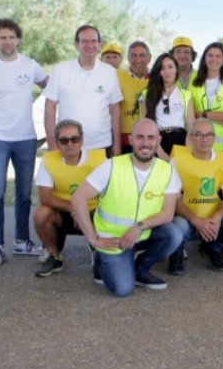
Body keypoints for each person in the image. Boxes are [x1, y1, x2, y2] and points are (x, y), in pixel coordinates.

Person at [70, 118, 183, 296]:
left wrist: (139, 227)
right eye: (140, 137)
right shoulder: (111, 166)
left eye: (151, 137)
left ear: (158, 141)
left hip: (142, 233)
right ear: (130, 140)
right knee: (122, 289)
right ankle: (100, 260)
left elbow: (168, 214)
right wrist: (93, 239)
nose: (145, 143)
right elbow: (77, 198)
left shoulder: (167, 170)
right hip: (113, 239)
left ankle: (140, 268)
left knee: (174, 233)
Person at [0, 18, 49, 266]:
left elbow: (51, 85)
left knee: (24, 193)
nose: (7, 41)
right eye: (2, 37)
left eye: (11, 36)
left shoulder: (30, 65)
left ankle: (21, 241)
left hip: (26, 138)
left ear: (18, 39)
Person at [169, 118, 223, 273]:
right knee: (176, 228)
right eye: (198, 135)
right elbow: (175, 199)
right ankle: (176, 254)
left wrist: (217, 217)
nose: (204, 139)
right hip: (187, 217)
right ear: (190, 138)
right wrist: (195, 220)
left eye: (208, 135)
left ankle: (214, 247)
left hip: (213, 216)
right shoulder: (178, 159)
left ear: (214, 137)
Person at [33, 120, 106, 277]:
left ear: (82, 140)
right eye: (64, 140)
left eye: (75, 139)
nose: (70, 144)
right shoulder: (48, 160)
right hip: (64, 212)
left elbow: (111, 192)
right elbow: (44, 197)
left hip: (94, 211)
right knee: (41, 214)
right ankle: (53, 256)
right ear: (57, 142)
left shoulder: (99, 159)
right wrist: (73, 207)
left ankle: (98, 249)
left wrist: (83, 211)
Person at [43, 25, 123, 155]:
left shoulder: (109, 72)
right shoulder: (60, 70)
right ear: (76, 45)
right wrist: (52, 144)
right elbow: (49, 107)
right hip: (68, 145)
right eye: (84, 41)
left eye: (93, 41)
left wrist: (117, 146)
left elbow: (115, 109)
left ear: (99, 44)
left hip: (102, 146)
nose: (89, 45)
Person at [140, 53, 194, 158]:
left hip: (181, 142)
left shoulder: (186, 95)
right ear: (158, 71)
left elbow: (191, 125)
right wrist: (159, 151)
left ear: (176, 70)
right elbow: (145, 127)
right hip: (157, 142)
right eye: (162, 68)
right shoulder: (147, 94)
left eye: (170, 67)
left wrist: (187, 149)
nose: (167, 72)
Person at [189, 42, 223, 152]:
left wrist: (203, 114)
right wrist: (218, 118)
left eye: (218, 56)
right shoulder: (193, 82)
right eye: (210, 55)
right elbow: (190, 114)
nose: (214, 59)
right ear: (204, 58)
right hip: (200, 144)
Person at [117, 41, 151, 154]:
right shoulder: (117, 76)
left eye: (142, 55)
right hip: (124, 139)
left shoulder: (158, 78)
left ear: (149, 58)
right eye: (134, 55)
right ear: (128, 58)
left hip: (150, 139)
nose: (138, 60)